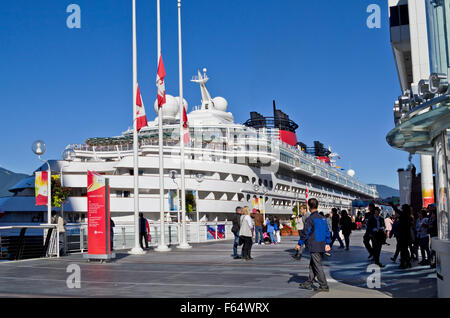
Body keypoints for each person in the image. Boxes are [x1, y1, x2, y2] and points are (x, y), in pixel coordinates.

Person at [296, 198, 331, 292]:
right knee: (313, 265)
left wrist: (299, 243)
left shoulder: (310, 219)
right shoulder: (322, 218)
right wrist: (327, 243)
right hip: (321, 244)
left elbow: (305, 233)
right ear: (317, 206)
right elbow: (327, 232)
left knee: (317, 266)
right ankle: (309, 282)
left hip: (314, 245)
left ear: (309, 207)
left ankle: (324, 285)